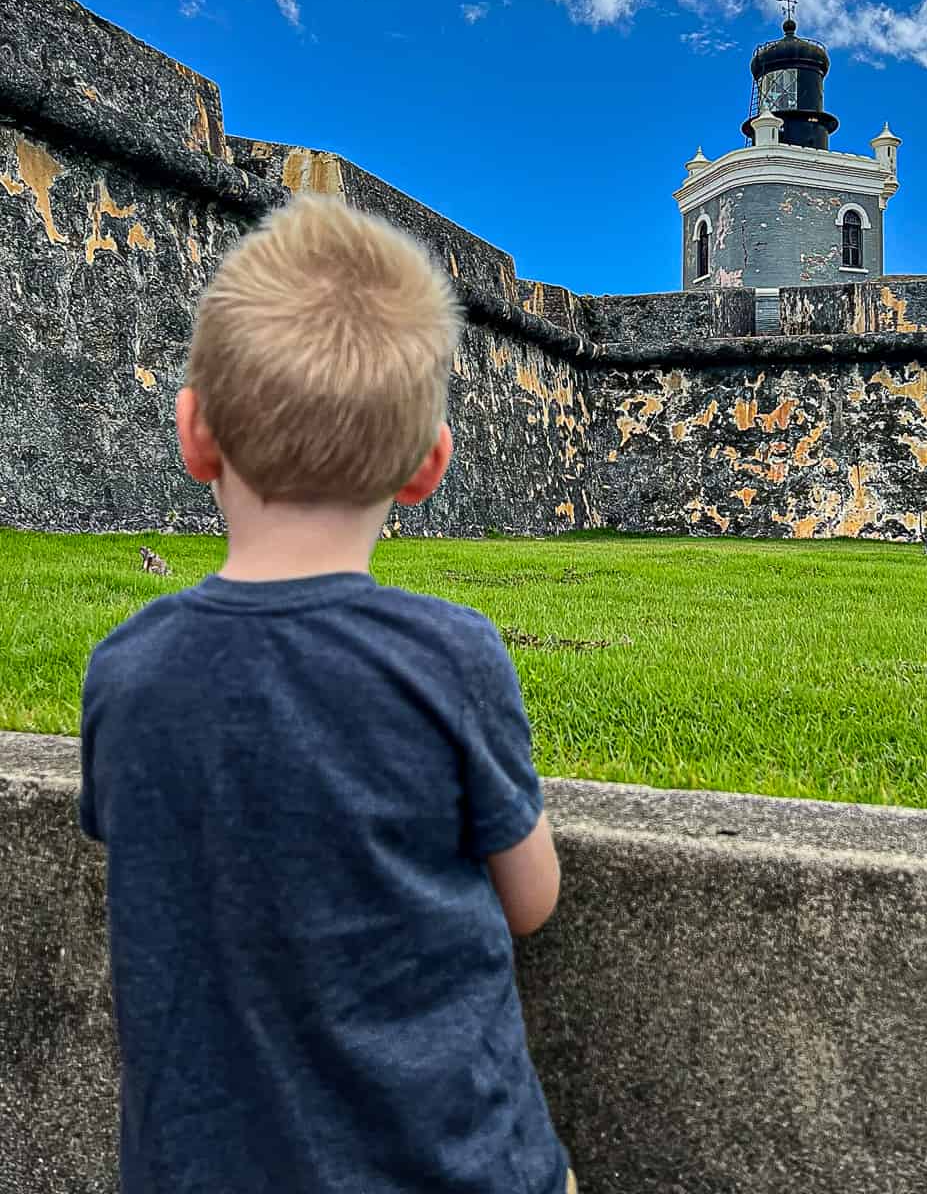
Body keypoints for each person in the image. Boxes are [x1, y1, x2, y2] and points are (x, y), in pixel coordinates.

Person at [79, 193, 577, 1194]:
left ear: (194, 435)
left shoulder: (123, 671)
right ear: (427, 466)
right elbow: (531, 900)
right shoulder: (451, 657)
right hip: (455, 1166)